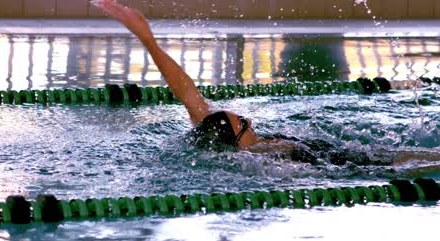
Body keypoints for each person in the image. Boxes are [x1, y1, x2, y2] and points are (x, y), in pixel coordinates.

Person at [96, 0, 440, 167]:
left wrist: (147, 39)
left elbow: (188, 96)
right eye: (243, 124)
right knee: (412, 158)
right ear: (239, 141)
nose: (250, 121)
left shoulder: (223, 136)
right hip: (343, 161)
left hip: (330, 153)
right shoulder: (261, 153)